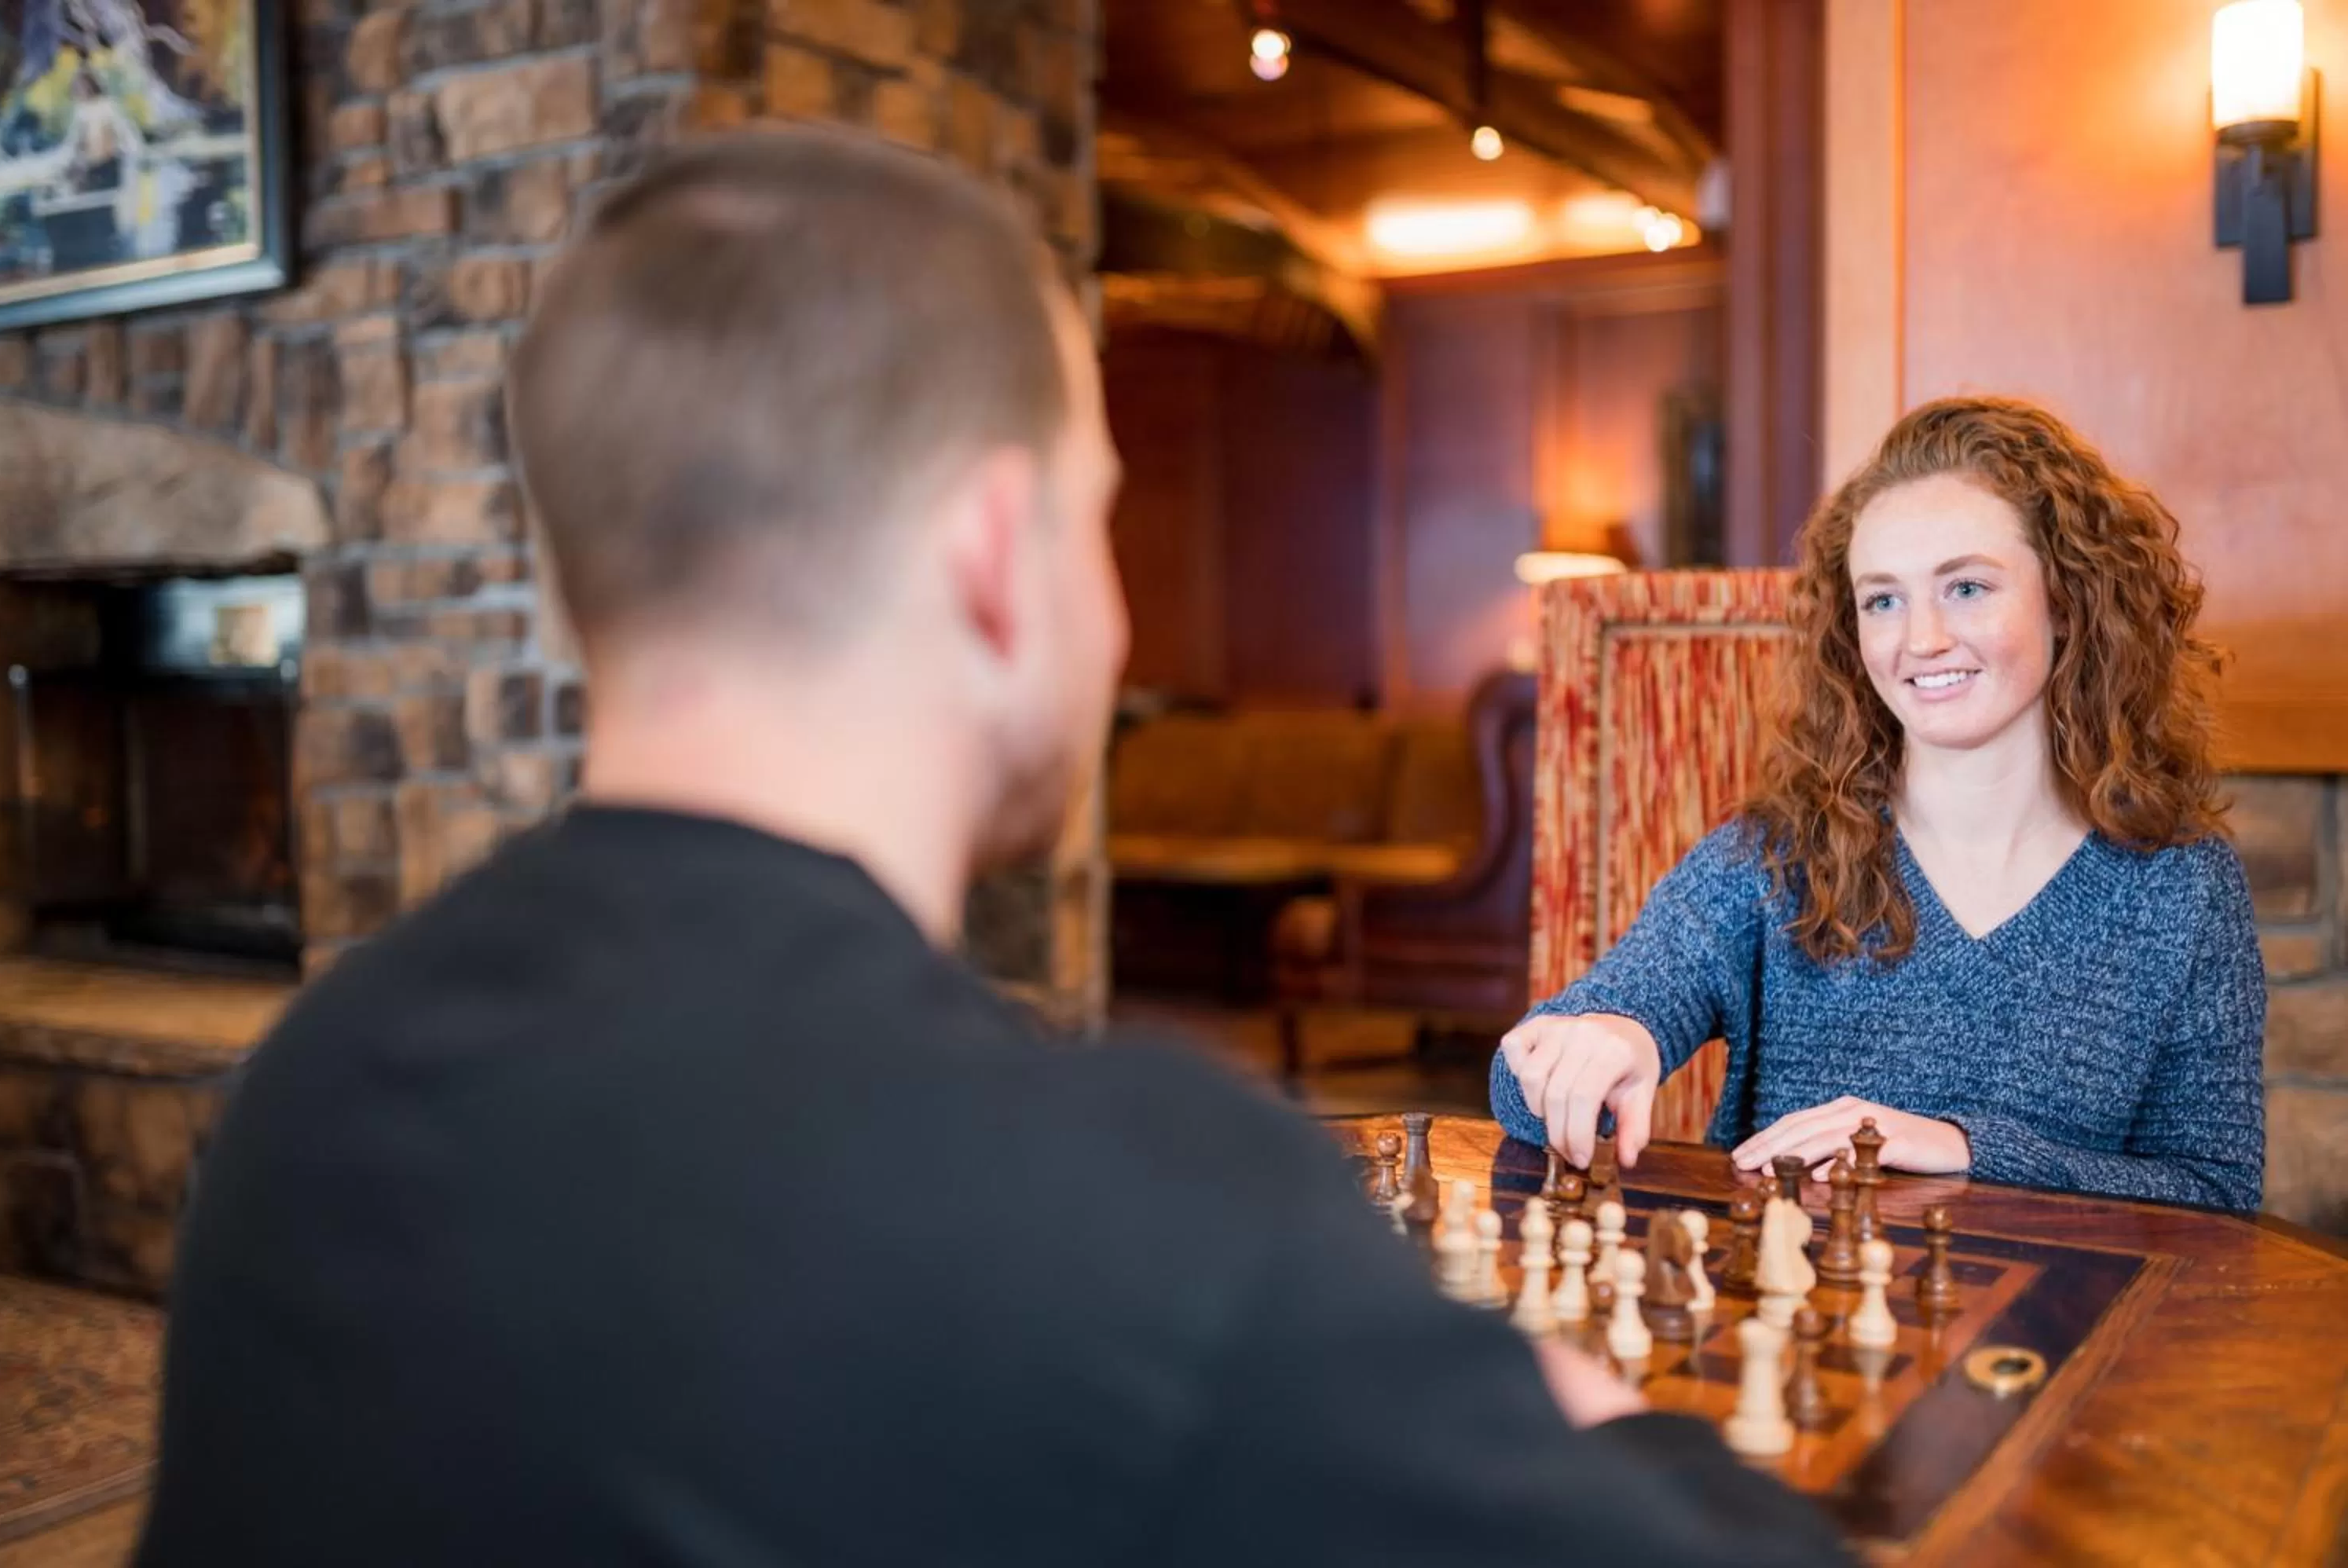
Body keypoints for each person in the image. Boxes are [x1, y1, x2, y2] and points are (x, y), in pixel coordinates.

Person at [134, 131, 1849, 1566]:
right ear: (993, 551)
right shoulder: (1136, 1204)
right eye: (1101, 511)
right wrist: (1599, 1420)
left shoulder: (307, 1087)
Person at [1493, 397, 2265, 1215]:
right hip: (1796, 1333)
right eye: (1883, 600)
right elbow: (1520, 1081)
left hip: (2062, 1338)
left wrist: (1962, 1150)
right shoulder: (1773, 858)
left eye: (1966, 587)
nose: (1921, 639)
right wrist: (1608, 1037)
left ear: (2067, 601)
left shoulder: (2183, 885)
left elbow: (2217, 1197)